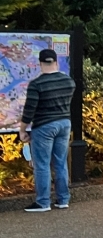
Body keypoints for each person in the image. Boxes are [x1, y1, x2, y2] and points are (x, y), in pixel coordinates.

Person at [19, 49, 77, 212]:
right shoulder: (69, 82)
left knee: (42, 165)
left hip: (44, 127)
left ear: (40, 64)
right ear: (56, 62)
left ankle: (43, 202)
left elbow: (29, 111)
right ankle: (63, 199)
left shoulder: (36, 84)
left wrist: (22, 130)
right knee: (60, 163)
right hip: (64, 124)